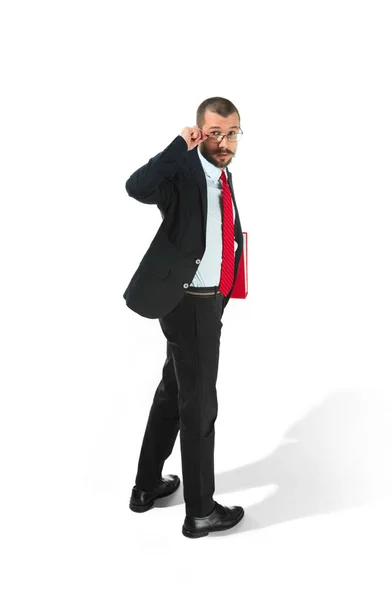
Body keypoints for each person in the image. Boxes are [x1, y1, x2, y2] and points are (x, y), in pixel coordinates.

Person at [123, 97, 245, 538]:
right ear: (199, 132)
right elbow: (137, 187)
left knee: (173, 392)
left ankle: (147, 485)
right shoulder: (183, 172)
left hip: (206, 302)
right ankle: (200, 511)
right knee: (199, 406)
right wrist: (178, 144)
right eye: (214, 132)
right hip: (190, 302)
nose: (224, 141)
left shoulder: (223, 177)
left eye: (232, 132)